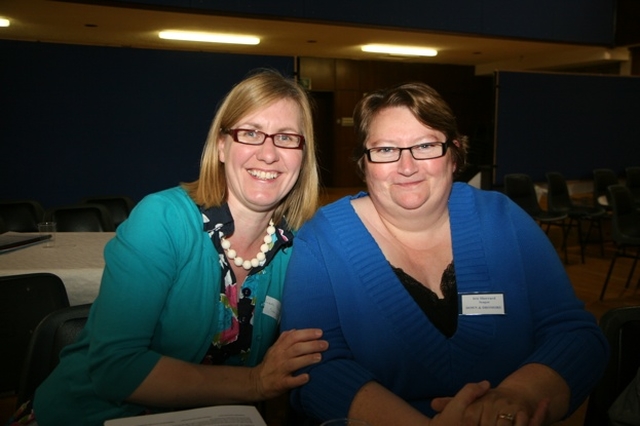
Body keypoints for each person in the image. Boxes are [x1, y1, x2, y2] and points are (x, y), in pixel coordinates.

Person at [281, 81, 609, 425]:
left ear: (454, 154)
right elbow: (314, 370)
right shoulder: (321, 242)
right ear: (364, 164)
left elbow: (575, 335)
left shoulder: (504, 220)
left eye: (425, 145)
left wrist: (519, 395)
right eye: (386, 149)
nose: (407, 166)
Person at [30, 69, 327, 426]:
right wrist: (254, 382)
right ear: (221, 145)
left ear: (302, 155)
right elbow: (116, 369)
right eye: (250, 133)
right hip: (90, 415)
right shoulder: (162, 219)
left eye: (286, 137)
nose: (268, 154)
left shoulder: (297, 245)